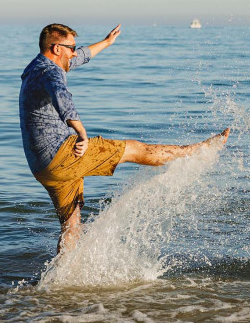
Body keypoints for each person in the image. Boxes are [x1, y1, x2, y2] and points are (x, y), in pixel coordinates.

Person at [20, 23, 229, 254]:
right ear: (56, 48)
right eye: (71, 48)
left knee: (71, 225)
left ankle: (59, 282)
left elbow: (79, 58)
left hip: (42, 165)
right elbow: (62, 97)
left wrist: (107, 42)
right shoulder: (52, 73)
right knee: (135, 149)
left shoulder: (34, 68)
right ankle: (197, 152)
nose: (74, 52)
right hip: (63, 154)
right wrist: (81, 132)